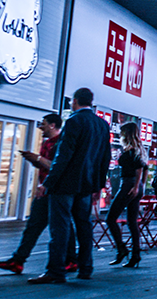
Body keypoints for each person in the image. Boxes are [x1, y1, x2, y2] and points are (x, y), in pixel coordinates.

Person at [32, 88, 111, 284]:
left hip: (66, 184)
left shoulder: (74, 121)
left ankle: (56, 271)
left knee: (60, 227)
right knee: (84, 226)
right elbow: (105, 158)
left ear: (74, 101)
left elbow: (63, 155)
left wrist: (48, 183)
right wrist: (98, 185)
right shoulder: (102, 124)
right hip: (87, 184)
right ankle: (86, 268)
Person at [0, 114, 77, 276]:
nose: (40, 127)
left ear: (52, 125)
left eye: (43, 124)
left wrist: (38, 158)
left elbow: (58, 166)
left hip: (55, 191)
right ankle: (18, 261)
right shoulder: (47, 143)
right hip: (45, 190)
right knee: (35, 227)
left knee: (61, 227)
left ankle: (70, 261)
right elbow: (47, 165)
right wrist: (35, 160)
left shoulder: (61, 143)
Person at [107, 122, 148, 268]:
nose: (120, 135)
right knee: (132, 221)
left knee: (110, 218)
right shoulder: (140, 149)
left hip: (129, 185)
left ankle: (121, 249)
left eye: (122, 133)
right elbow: (144, 169)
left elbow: (138, 169)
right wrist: (141, 186)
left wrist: (136, 187)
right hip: (135, 185)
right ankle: (135, 254)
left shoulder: (131, 151)